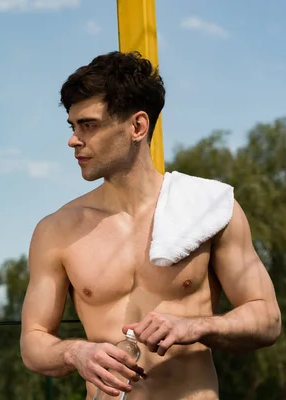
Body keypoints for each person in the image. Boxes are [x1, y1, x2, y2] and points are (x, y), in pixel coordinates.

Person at [19, 51, 282, 399]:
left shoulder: (209, 210)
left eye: (89, 125)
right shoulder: (56, 230)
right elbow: (33, 341)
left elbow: (267, 318)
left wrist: (198, 326)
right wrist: (76, 352)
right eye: (73, 126)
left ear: (137, 127)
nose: (73, 139)